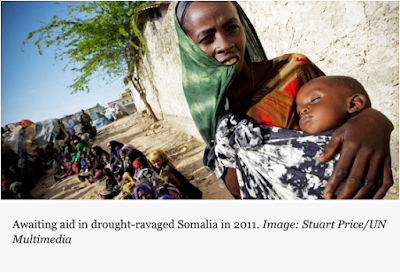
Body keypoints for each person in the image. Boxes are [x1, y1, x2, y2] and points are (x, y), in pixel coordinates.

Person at [174, 1, 393, 199]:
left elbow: (347, 108)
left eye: (232, 27)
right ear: (191, 50)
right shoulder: (212, 115)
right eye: (207, 38)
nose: (225, 44)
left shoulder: (294, 71)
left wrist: (373, 120)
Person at [205, 75, 374, 199]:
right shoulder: (284, 142)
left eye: (314, 99)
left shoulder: (363, 143)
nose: (304, 110)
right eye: (299, 112)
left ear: (354, 104)